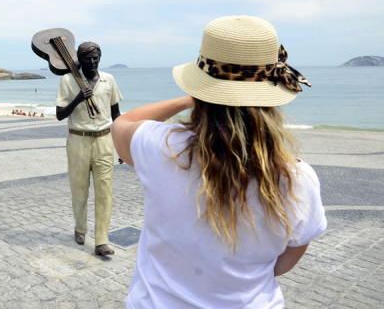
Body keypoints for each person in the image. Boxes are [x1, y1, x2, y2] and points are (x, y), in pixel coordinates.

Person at [111, 16, 327, 308]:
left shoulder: (160, 146)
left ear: (201, 90)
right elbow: (286, 259)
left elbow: (123, 122)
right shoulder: (296, 177)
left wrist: (191, 97)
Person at [55, 41, 123, 256]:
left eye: (96, 58)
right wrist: (77, 99)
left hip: (104, 140)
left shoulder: (108, 80)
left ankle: (102, 240)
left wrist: (122, 145)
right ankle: (80, 228)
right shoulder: (67, 80)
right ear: (79, 60)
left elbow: (116, 115)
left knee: (105, 192)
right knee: (79, 189)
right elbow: (59, 114)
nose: (92, 62)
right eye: (87, 59)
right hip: (78, 140)